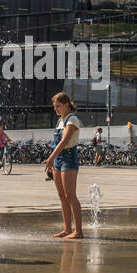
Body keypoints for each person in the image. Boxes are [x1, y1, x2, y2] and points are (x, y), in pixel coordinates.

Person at [42, 91, 83, 239]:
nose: (55, 109)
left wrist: (51, 158)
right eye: (54, 106)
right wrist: (53, 159)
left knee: (70, 195)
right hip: (58, 159)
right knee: (62, 196)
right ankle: (67, 229)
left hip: (68, 158)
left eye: (58, 106)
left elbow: (64, 141)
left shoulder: (72, 120)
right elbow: (57, 143)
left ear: (66, 105)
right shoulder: (61, 121)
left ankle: (78, 231)